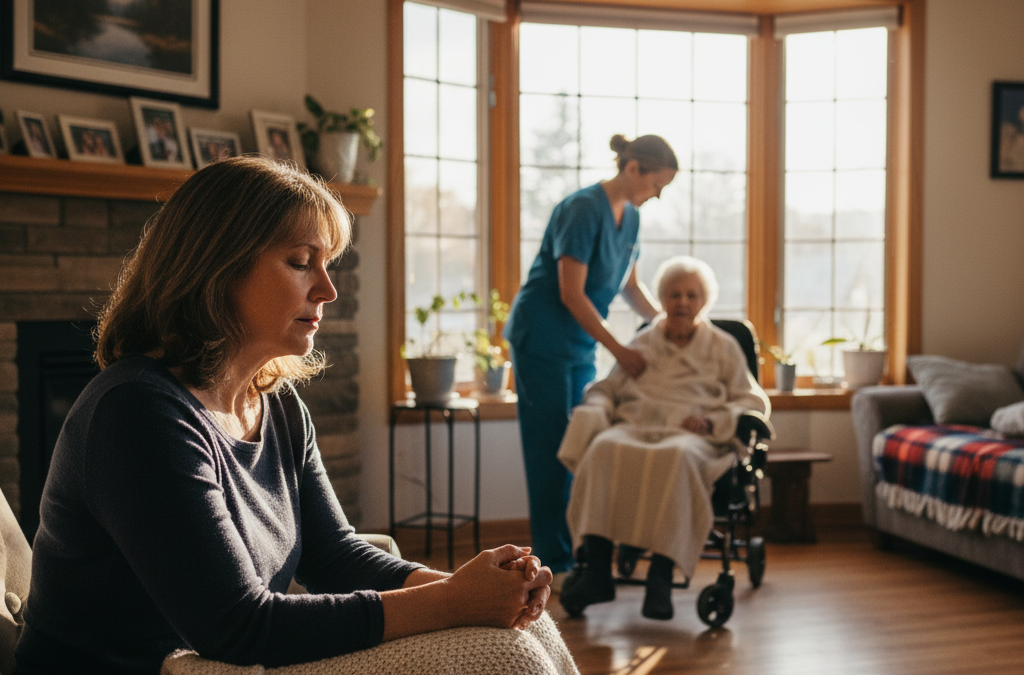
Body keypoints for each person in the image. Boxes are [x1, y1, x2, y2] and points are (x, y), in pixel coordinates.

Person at [15, 157, 565, 674]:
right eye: (301, 262)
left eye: (327, 264)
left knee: (526, 633)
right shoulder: (136, 411)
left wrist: (474, 590)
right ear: (216, 268)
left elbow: (334, 554)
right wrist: (450, 602)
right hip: (156, 667)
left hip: (215, 661)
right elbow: (238, 625)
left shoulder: (275, 404)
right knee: (504, 656)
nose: (327, 289)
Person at [503, 134, 678, 583]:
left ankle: (572, 553)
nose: (658, 195)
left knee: (578, 443)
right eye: (657, 184)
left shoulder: (633, 219)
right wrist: (619, 349)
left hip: (579, 344)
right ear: (634, 168)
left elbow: (630, 287)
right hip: (542, 337)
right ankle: (555, 564)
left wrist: (667, 326)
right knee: (549, 451)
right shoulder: (582, 208)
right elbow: (571, 293)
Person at [555, 256, 770, 620]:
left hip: (693, 434)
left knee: (677, 455)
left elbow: (751, 400)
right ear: (663, 299)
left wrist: (712, 420)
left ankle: (660, 574)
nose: (682, 302)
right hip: (636, 425)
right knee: (603, 447)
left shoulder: (723, 347)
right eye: (674, 295)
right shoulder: (644, 341)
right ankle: (595, 570)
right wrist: (596, 407)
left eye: (691, 295)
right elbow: (607, 388)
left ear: (704, 302)